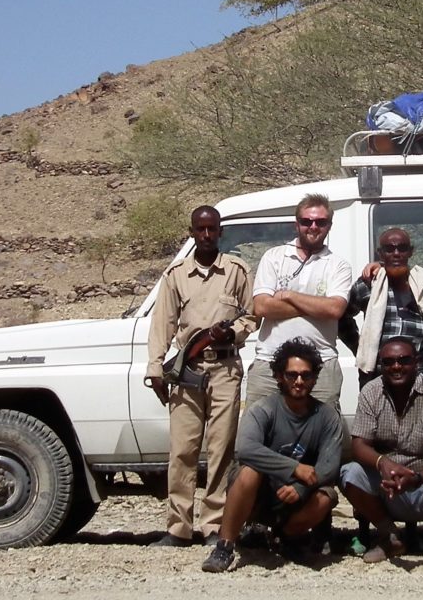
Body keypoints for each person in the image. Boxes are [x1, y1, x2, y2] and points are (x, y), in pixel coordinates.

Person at [145, 205, 256, 547]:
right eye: (200, 229)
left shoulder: (237, 270)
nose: (207, 235)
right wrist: (155, 368)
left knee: (221, 449)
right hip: (186, 371)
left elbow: (252, 317)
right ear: (191, 232)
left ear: (221, 232)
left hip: (225, 369)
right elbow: (162, 323)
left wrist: (233, 332)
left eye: (212, 229)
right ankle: (178, 527)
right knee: (182, 450)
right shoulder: (176, 274)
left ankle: (213, 525)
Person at [202, 339, 343, 573]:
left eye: (306, 376)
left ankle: (286, 536)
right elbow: (246, 449)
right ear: (279, 376)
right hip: (260, 493)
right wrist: (295, 468)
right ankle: (224, 546)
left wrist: (300, 488)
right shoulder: (263, 409)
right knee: (248, 471)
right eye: (292, 375)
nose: (299, 381)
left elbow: (329, 466)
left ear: (315, 378)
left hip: (297, 496)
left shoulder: (326, 416)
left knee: (327, 497)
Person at [339, 338, 423, 564]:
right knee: (350, 474)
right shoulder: (370, 392)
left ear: (417, 362)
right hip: (388, 484)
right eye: (388, 362)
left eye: (404, 360)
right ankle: (389, 537)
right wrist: (383, 463)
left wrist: (417, 478)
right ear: (381, 366)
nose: (396, 367)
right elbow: (358, 445)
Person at [248, 193, 352, 412]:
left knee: (322, 436)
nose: (313, 227)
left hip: (322, 364)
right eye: (306, 221)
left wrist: (288, 295)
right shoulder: (273, 257)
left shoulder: (338, 265)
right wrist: (316, 305)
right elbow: (262, 307)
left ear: (329, 226)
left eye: (320, 222)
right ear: (297, 224)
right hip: (269, 362)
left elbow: (334, 309)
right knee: (258, 433)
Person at [341, 228, 423, 386]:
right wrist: (361, 348)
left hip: (419, 379)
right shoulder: (367, 285)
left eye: (402, 248)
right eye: (389, 249)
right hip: (376, 380)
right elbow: (342, 317)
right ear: (380, 253)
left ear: (410, 252)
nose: (396, 253)